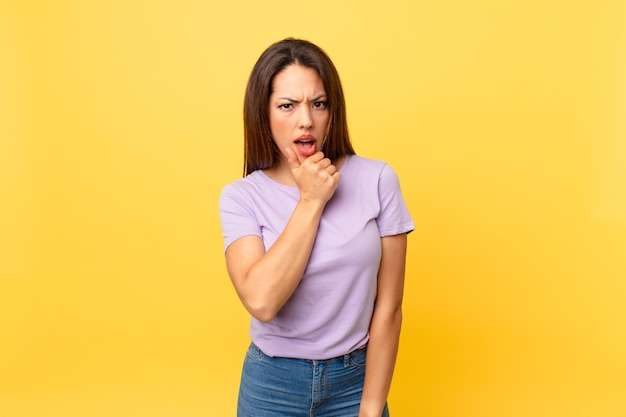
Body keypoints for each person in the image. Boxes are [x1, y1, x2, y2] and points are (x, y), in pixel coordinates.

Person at [219, 38, 414, 417]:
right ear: (264, 113)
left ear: (332, 111)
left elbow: (389, 308)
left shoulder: (378, 180)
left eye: (318, 104)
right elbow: (262, 302)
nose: (305, 119)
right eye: (287, 106)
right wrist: (311, 200)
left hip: (356, 382)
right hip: (271, 386)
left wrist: (371, 406)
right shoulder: (241, 197)